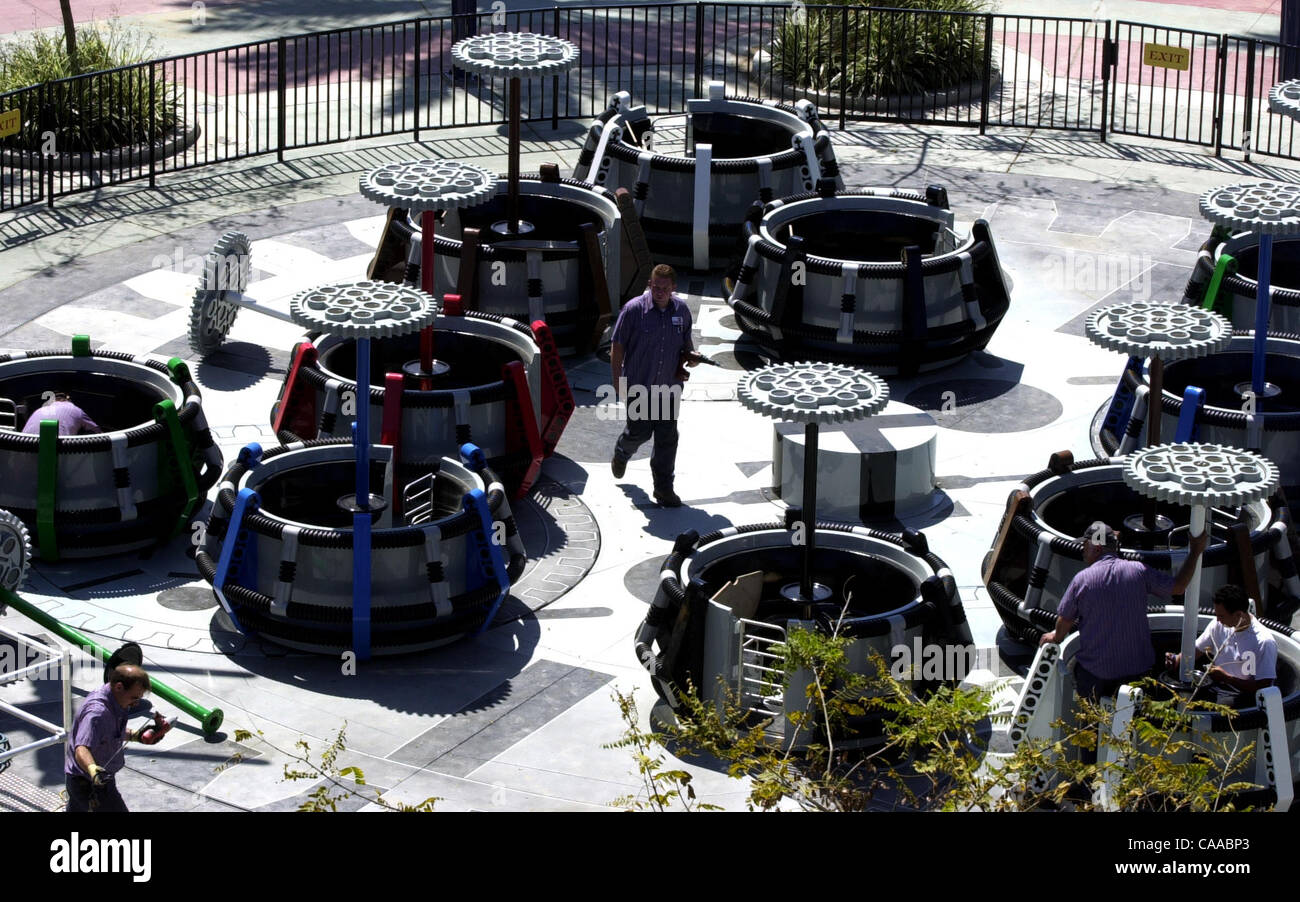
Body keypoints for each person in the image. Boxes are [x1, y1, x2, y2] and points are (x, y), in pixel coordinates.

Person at [1040, 521, 1208, 701]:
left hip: (1097, 674)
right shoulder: (1138, 571)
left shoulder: (1082, 580)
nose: (1082, 549)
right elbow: (1179, 587)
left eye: (1085, 545)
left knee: (1092, 720)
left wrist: (1055, 637)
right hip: (1138, 672)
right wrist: (1195, 552)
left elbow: (1064, 620)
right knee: (1134, 723)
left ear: (1096, 548)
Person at [609, 264, 699, 507]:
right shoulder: (633, 310)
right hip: (639, 386)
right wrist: (618, 380)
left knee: (667, 438)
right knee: (639, 432)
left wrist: (692, 356)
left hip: (669, 387)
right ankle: (622, 451)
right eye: (654, 286)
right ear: (650, 284)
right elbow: (617, 346)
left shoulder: (681, 310)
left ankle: (663, 489)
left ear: (673, 288)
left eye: (664, 288)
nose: (658, 291)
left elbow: (685, 343)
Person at [64, 663, 171, 812]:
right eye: (134, 697)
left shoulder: (116, 700)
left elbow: (108, 733)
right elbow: (81, 749)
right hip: (88, 783)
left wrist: (137, 736)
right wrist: (94, 771)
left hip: (96, 778)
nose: (136, 703)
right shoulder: (97, 713)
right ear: (119, 687)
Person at [1166, 584, 1277, 708]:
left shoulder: (1264, 642)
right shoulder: (1218, 625)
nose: (1218, 620)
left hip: (1241, 695)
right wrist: (1176, 660)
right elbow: (1196, 650)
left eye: (1221, 616)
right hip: (1215, 686)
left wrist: (1227, 678)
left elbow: (1264, 686)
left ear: (1238, 615)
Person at [22, 392, 101, 436]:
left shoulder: (38, 410)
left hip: (22, 451)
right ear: (68, 401)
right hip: (59, 455)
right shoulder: (76, 410)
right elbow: (97, 432)